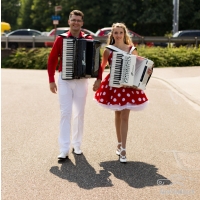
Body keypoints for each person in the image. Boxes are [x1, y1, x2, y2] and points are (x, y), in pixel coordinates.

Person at [93, 22, 153, 163]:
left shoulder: (132, 49)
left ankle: (124, 149)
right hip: (113, 85)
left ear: (124, 34)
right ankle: (119, 143)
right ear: (112, 35)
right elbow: (101, 67)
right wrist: (98, 80)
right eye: (116, 33)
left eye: (121, 33)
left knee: (125, 116)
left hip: (129, 87)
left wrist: (147, 72)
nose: (118, 35)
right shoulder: (109, 50)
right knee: (118, 114)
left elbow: (139, 67)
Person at [47, 10, 93, 160]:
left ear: (82, 23)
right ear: (69, 22)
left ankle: (77, 144)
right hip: (64, 81)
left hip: (81, 81)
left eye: (79, 20)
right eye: (73, 20)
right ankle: (64, 149)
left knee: (79, 114)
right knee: (65, 114)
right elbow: (52, 59)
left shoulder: (88, 39)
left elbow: (95, 60)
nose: (76, 23)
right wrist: (51, 80)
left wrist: (98, 77)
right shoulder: (61, 39)